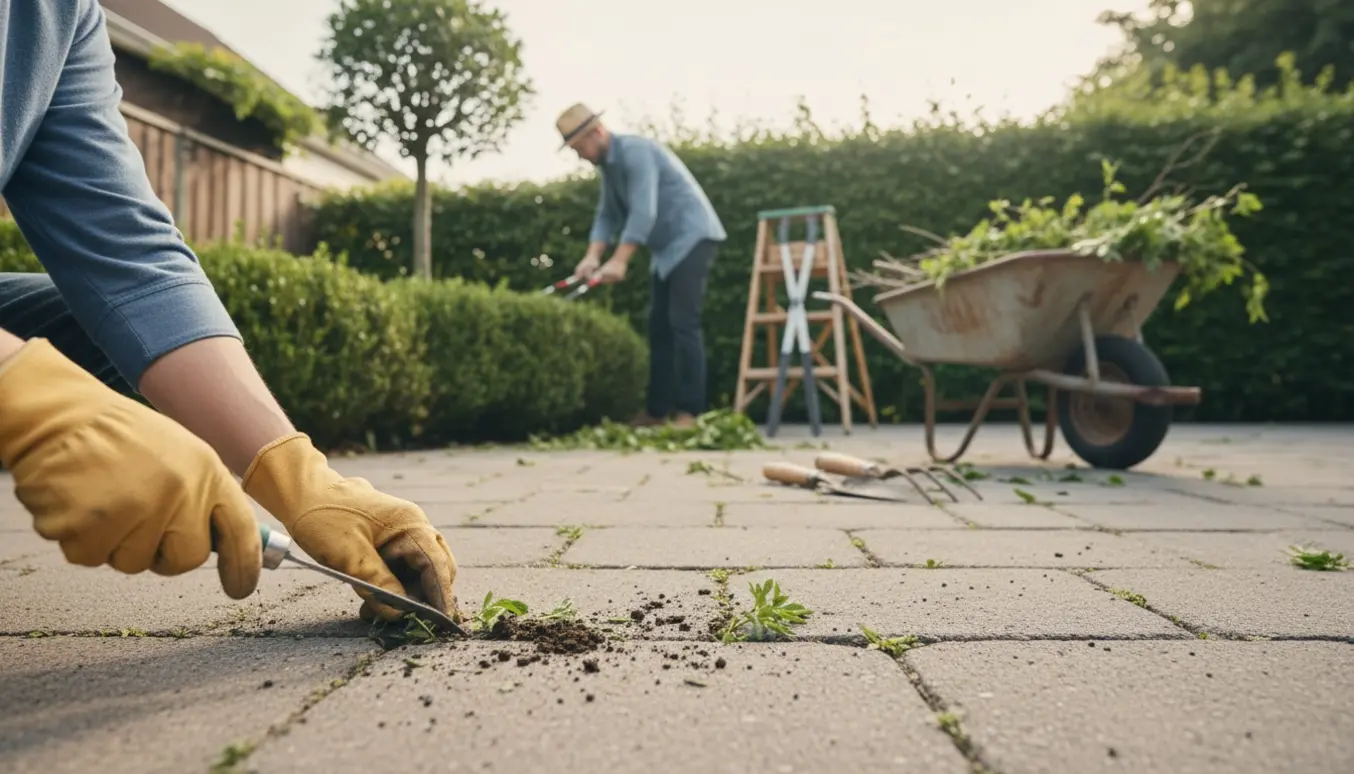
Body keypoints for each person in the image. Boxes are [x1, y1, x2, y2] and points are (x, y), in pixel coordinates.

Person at [0, 0, 458, 624]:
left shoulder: (60, 14)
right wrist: (29, 401)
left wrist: (298, 479)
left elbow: (129, 257)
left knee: (95, 344)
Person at [558, 103, 727, 429]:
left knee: (683, 323)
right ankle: (656, 412)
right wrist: (592, 257)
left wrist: (619, 261)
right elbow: (607, 215)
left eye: (580, 147)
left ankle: (690, 413)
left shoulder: (636, 152)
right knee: (658, 328)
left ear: (597, 132)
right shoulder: (608, 166)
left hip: (693, 236)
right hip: (666, 251)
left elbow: (643, 212)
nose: (580, 155)